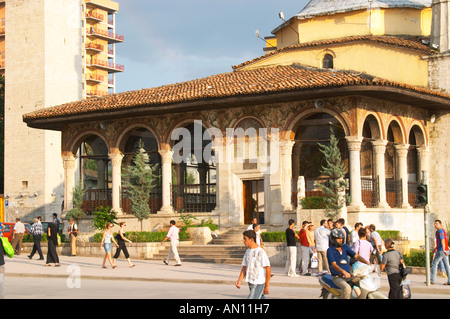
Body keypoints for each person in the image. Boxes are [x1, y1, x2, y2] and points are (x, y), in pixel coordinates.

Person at [327, 228, 369, 299]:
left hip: (349, 275)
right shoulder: (330, 250)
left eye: (342, 238)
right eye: (338, 238)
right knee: (347, 288)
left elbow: (356, 256)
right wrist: (343, 272)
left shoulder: (345, 247)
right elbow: (333, 264)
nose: (341, 240)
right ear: (333, 239)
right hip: (338, 277)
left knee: (364, 283)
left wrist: (366, 262)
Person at [235, 230, 271, 299]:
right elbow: (244, 267)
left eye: (245, 239)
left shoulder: (260, 252)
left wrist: (267, 285)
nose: (243, 240)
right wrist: (239, 280)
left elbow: (268, 268)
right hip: (250, 282)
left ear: (251, 239)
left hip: (258, 283)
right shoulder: (247, 251)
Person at [430, 220, 450, 285]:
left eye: (436, 224)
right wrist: (435, 249)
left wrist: (443, 249)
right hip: (444, 250)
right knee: (447, 265)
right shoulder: (442, 231)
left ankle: (432, 280)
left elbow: (442, 240)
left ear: (440, 224)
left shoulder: (440, 231)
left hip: (442, 250)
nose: (435, 225)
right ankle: (449, 281)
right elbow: (439, 243)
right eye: (435, 223)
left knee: (434, 263)